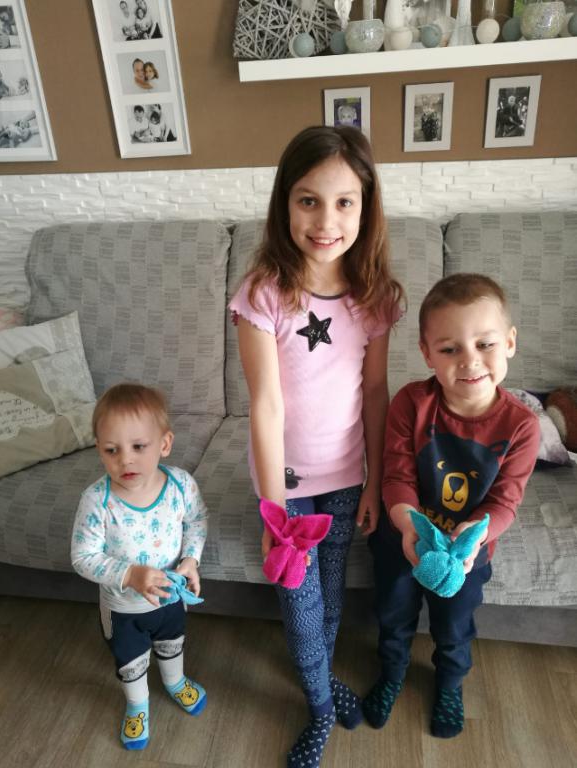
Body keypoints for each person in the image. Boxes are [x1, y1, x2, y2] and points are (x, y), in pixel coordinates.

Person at [230, 125, 404, 767]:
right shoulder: (262, 294)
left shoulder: (376, 297)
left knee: (329, 596)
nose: (326, 221)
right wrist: (276, 515)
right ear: (285, 203)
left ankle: (322, 679)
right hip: (289, 491)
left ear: (365, 207)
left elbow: (376, 392)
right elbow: (265, 405)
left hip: (346, 481)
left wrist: (376, 482)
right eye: (309, 200)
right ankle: (322, 706)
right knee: (300, 608)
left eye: (343, 202)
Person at [363, 273, 540, 739]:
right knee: (392, 615)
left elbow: (506, 501)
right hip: (402, 539)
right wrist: (407, 527)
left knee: (454, 626)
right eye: (449, 349)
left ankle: (449, 684)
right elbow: (397, 477)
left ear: (509, 343)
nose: (470, 361)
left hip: (467, 554)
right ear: (427, 353)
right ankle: (392, 672)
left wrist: (475, 535)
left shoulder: (522, 426)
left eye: (485, 344)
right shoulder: (411, 403)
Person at [71, 383, 208, 751]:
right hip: (123, 609)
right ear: (99, 449)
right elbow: (83, 556)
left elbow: (196, 520)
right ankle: (137, 705)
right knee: (131, 660)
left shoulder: (181, 485)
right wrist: (129, 575)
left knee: (172, 643)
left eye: (138, 447)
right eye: (111, 450)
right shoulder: (97, 501)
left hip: (170, 598)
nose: (125, 460)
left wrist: (191, 559)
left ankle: (175, 681)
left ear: (164, 444)